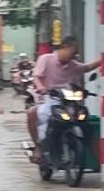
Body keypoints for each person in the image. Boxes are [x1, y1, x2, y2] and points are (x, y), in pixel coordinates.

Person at [28, 36, 84, 164]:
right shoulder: (46, 59)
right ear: (64, 47)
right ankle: (39, 146)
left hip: (68, 100)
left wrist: (102, 60)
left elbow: (86, 68)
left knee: (83, 118)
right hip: (49, 97)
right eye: (72, 52)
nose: (72, 56)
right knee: (35, 114)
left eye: (75, 54)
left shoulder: (72, 65)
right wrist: (41, 87)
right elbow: (36, 76)